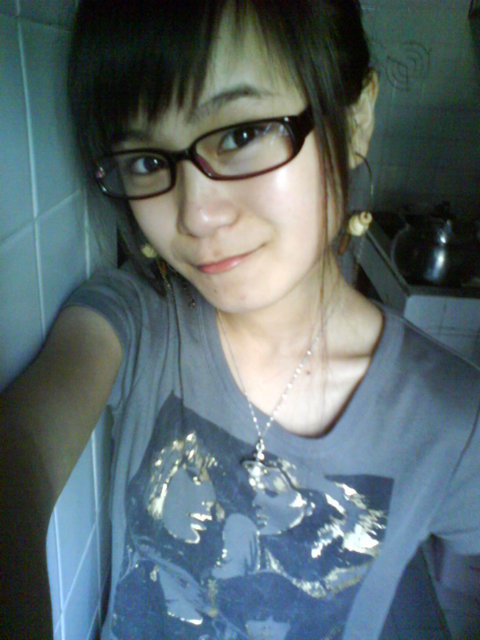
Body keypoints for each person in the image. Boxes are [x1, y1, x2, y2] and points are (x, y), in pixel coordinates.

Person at [2, 1, 479, 638]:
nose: (196, 215)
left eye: (240, 135)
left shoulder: (450, 417)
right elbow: (20, 449)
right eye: (147, 161)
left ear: (354, 119)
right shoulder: (141, 319)